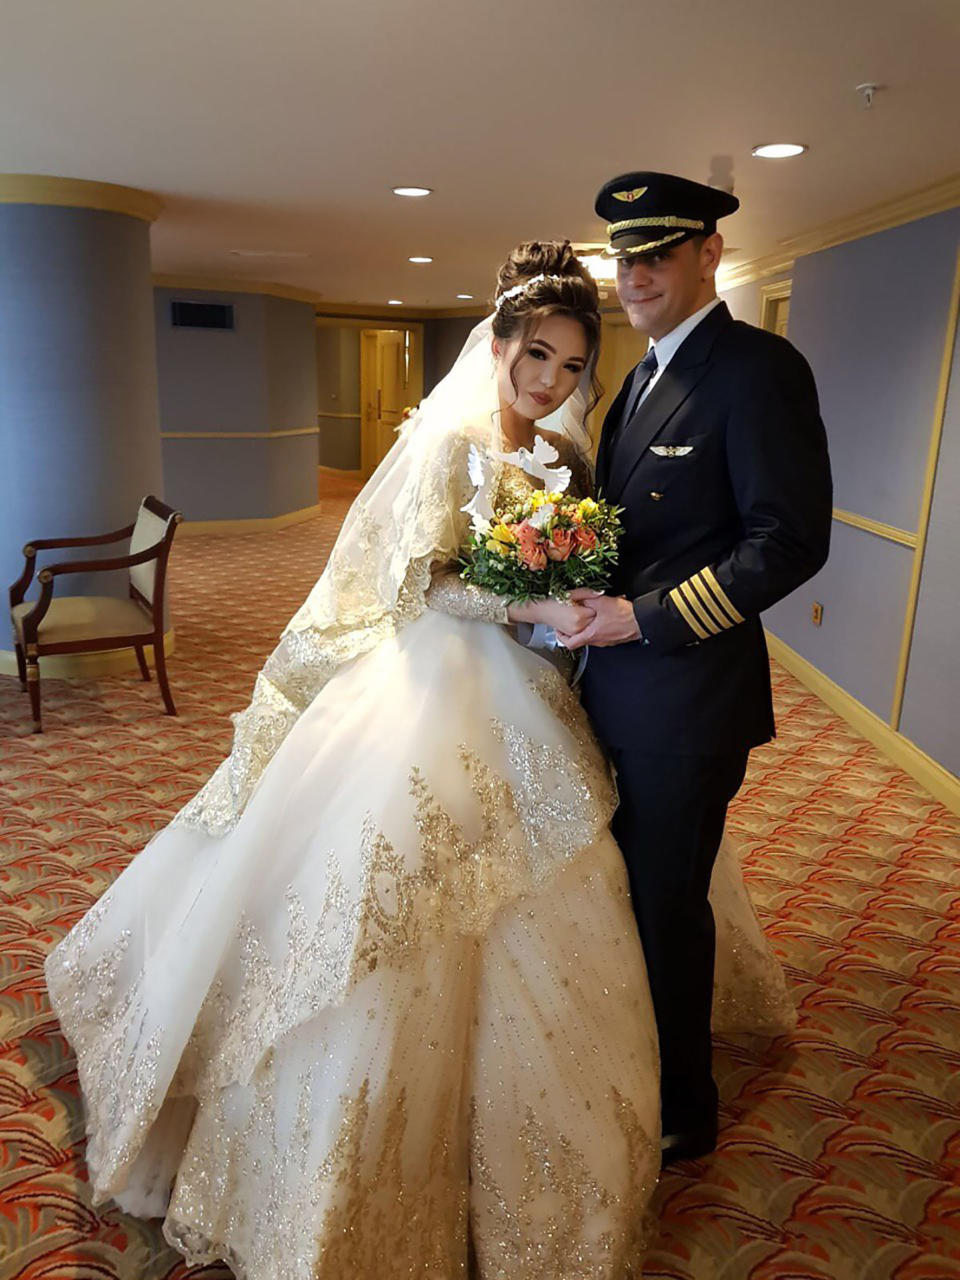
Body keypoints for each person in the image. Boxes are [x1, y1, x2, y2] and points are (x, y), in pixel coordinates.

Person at [46, 241, 793, 1280]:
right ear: (500, 343)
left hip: (542, 684)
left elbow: (610, 553)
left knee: (576, 871)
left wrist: (572, 603)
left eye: (574, 366)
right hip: (439, 680)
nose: (552, 381)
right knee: (391, 879)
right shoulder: (450, 447)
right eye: (539, 356)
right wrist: (529, 598)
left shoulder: (577, 460)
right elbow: (421, 584)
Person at [561, 173, 833, 1167]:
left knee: (664, 897)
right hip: (618, 686)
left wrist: (645, 616)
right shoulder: (636, 379)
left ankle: (686, 1101)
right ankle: (642, 1054)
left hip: (690, 696)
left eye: (654, 253)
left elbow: (789, 539)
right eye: (620, 258)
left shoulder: (756, 369)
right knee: (627, 886)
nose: (632, 276)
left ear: (710, 252)